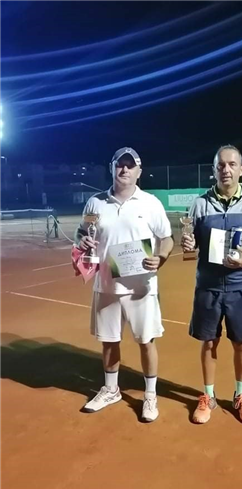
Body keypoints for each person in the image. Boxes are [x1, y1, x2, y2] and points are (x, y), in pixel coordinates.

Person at [75, 147, 174, 422]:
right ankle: (111, 389)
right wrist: (82, 241)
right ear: (112, 167)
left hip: (142, 287)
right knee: (109, 341)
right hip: (106, 284)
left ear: (139, 171)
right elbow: (82, 233)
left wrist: (161, 257)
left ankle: (150, 395)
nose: (125, 170)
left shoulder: (150, 203)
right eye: (120, 164)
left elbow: (167, 238)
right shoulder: (95, 203)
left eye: (131, 165)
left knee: (146, 341)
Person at [181, 145, 242, 424]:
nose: (226, 169)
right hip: (208, 286)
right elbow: (191, 244)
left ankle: (240, 396)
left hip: (241, 286)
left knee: (241, 343)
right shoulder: (200, 204)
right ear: (214, 170)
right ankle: (208, 396)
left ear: (241, 170)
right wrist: (188, 244)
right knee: (209, 342)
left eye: (232, 164)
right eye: (221, 165)